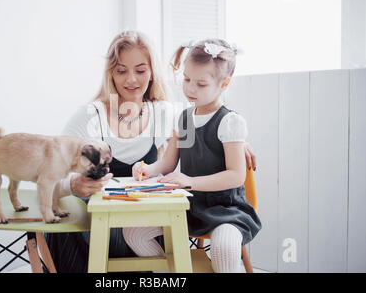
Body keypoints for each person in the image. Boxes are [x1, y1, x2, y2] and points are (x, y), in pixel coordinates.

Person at [45, 32, 258, 272]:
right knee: (69, 223)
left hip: (166, 213)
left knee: (149, 233)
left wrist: (239, 143)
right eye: (121, 70)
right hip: (104, 220)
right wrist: (73, 185)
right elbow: (49, 173)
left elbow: (214, 128)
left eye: (140, 70)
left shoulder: (166, 112)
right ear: (110, 74)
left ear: (152, 73)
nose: (131, 80)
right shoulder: (89, 116)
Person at [125, 39, 262, 273]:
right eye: (186, 79)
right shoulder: (185, 118)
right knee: (134, 233)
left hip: (226, 210)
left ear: (224, 84)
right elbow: (169, 162)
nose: (190, 89)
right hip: (188, 206)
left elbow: (236, 175)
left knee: (224, 248)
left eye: (200, 83)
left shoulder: (230, 122)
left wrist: (190, 181)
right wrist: (148, 169)